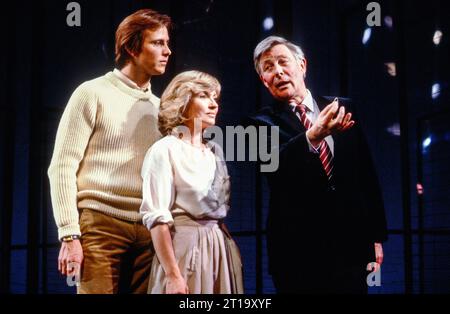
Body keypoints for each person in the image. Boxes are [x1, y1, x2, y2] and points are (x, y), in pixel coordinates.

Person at [247, 36, 388, 293]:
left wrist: (376, 237)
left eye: (283, 62)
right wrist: (314, 135)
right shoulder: (257, 123)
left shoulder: (342, 107)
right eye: (268, 67)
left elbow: (365, 174)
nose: (277, 71)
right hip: (296, 251)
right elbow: (275, 170)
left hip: (351, 247)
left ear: (302, 65)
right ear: (263, 80)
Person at [47, 9, 172, 293]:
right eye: (158, 43)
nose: (167, 51)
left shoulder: (161, 107)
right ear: (131, 47)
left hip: (149, 230)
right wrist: (69, 234)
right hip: (100, 226)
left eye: (167, 43)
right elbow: (62, 166)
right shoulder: (91, 93)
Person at [140, 71, 243, 294]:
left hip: (218, 247)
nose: (213, 104)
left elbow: (218, 208)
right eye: (204, 96)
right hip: (185, 248)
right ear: (183, 101)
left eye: (215, 98)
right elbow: (156, 218)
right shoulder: (165, 149)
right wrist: (173, 275)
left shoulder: (215, 151)